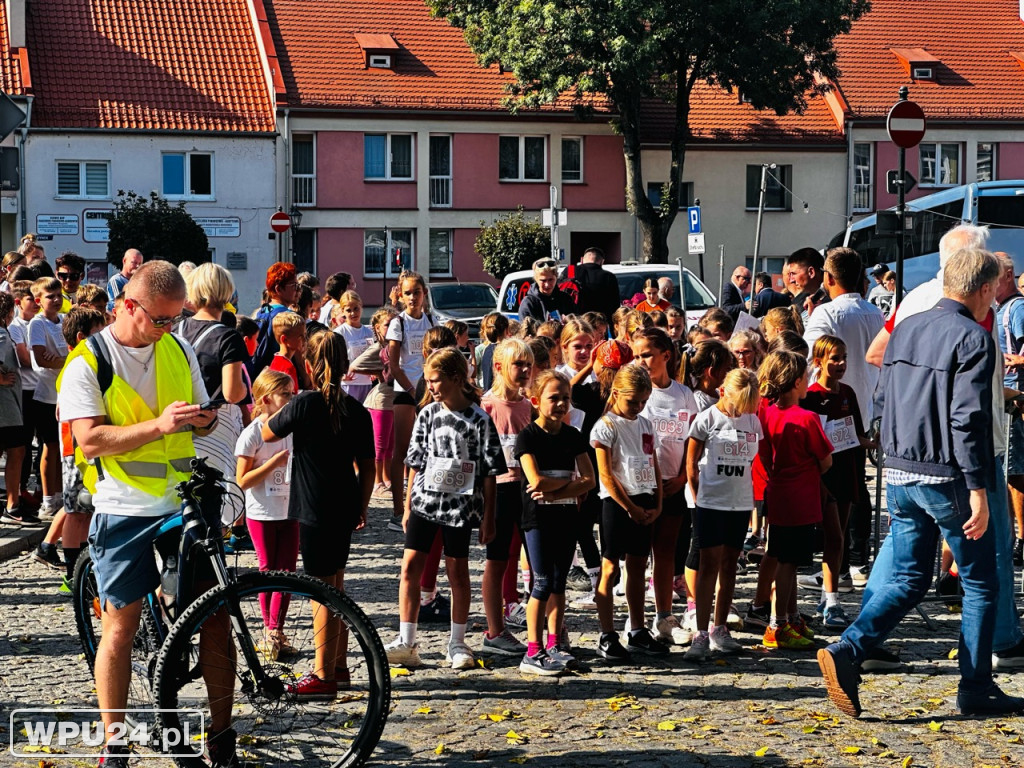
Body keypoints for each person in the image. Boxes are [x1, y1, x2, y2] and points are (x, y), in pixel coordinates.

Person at [817, 248, 1024, 718]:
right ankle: (976, 686)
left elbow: (886, 394)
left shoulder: (907, 326)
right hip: (948, 473)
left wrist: (890, 455)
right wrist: (977, 489)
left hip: (902, 469)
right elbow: (967, 418)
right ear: (986, 290)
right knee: (982, 581)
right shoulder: (973, 338)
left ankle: (849, 650)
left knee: (910, 578)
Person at [55, 261, 229, 765]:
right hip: (123, 508)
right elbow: (89, 441)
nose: (168, 329)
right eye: (160, 320)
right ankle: (114, 743)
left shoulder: (176, 347)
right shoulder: (88, 362)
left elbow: (199, 417)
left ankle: (221, 736)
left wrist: (206, 416)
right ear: (127, 306)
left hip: (183, 501)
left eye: (176, 319)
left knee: (215, 617)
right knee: (120, 626)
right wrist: (158, 425)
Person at [261, 332, 373, 699]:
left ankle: (323, 676)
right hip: (343, 503)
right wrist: (362, 504)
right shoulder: (355, 409)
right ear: (345, 366)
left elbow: (267, 431)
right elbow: (368, 466)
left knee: (321, 593)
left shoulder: (305, 403)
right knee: (336, 587)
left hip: (312, 506)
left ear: (308, 364)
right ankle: (338, 667)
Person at [384, 348, 504, 670]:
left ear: (455, 378)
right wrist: (407, 505)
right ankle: (407, 639)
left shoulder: (480, 420)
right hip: (425, 503)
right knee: (410, 567)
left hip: (461, 509)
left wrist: (488, 517)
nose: (431, 386)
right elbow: (415, 462)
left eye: (435, 380)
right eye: (428, 380)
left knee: (457, 572)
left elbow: (491, 472)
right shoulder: (427, 414)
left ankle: (457, 641)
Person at [515, 369, 595, 674]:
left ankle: (554, 644)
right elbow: (533, 480)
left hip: (565, 516)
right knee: (543, 581)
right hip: (537, 519)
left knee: (560, 584)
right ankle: (532, 651)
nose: (561, 404)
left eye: (566, 398)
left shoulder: (573, 435)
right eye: (554, 398)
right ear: (536, 401)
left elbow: (589, 480)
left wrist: (556, 489)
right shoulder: (528, 436)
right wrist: (565, 485)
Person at [591, 364, 669, 660]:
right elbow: (607, 475)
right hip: (617, 503)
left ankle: (637, 630)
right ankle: (607, 634)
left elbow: (653, 462)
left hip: (646, 497)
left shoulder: (645, 423)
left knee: (638, 566)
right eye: (632, 401)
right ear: (616, 394)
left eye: (643, 402)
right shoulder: (606, 426)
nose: (638, 407)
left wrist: (658, 503)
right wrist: (630, 508)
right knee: (610, 568)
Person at [684, 368, 762, 660]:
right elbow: (690, 464)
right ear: (723, 392)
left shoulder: (753, 420)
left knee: (731, 566)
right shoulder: (706, 419)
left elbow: (757, 460)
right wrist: (699, 497)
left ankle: (720, 628)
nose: (741, 409)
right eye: (738, 401)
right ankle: (700, 633)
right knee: (708, 566)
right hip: (710, 504)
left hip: (740, 503)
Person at [757, 350, 832, 650]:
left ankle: (791, 616)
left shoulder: (766, 414)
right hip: (800, 497)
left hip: (777, 493)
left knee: (786, 558)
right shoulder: (806, 418)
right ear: (798, 381)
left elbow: (763, 456)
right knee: (789, 563)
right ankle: (779, 624)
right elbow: (826, 461)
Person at [632, 327, 698, 646]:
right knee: (637, 555)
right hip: (643, 485)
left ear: (666, 356)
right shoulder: (636, 393)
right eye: (637, 355)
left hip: (674, 484)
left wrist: (684, 478)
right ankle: (635, 623)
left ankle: (664, 616)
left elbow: (691, 441)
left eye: (647, 354)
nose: (641, 361)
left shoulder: (684, 394)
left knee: (666, 552)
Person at [800, 335, 871, 629]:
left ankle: (829, 596)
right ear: (818, 362)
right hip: (821, 477)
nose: (841, 364)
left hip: (846, 474)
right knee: (832, 537)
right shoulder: (811, 396)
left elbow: (856, 436)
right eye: (834, 358)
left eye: (843, 357)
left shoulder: (848, 394)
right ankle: (831, 601)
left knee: (839, 536)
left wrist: (876, 443)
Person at [480, 339, 534, 658]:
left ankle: (550, 630)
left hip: (528, 489)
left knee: (537, 559)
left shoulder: (530, 405)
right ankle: (495, 630)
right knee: (496, 560)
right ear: (499, 367)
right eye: (519, 364)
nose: (525, 370)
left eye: (528, 364)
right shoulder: (487, 406)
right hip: (499, 490)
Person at [238, 369, 296, 659]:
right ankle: (270, 630)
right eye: (285, 394)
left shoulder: (294, 428)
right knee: (268, 571)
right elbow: (243, 480)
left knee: (287, 573)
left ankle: (278, 631)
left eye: (293, 393)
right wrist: (272, 463)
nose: (291, 399)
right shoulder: (253, 434)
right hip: (262, 511)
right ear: (266, 399)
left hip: (291, 509)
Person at [177, 264, 249, 483]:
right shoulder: (228, 337)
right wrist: (247, 387)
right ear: (226, 292)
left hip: (177, 419)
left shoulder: (175, 329)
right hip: (214, 423)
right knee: (217, 497)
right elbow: (232, 394)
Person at [386, 271, 436, 531]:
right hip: (406, 391)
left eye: (417, 292)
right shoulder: (399, 323)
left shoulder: (431, 319)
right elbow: (394, 366)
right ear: (401, 295)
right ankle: (396, 510)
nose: (413, 297)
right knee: (402, 451)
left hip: (428, 390)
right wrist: (413, 391)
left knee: (428, 450)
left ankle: (422, 502)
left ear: (424, 294)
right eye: (408, 293)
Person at [28, 277, 69, 518]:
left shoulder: (64, 320)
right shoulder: (37, 324)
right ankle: (47, 498)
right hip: (46, 395)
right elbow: (43, 357)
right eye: (49, 296)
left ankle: (62, 495)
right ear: (38, 301)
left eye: (58, 295)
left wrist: (62, 360)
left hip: (66, 394)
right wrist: (66, 360)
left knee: (65, 449)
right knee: (50, 447)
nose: (55, 300)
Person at [248, 262, 299, 378]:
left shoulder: (261, 311)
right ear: (278, 289)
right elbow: (298, 356)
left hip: (261, 376)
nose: (297, 290)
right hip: (282, 376)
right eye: (294, 286)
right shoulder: (290, 317)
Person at [332, 290, 375, 403]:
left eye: (356, 308)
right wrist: (340, 376)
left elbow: (372, 356)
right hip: (348, 383)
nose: (353, 313)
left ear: (361, 307)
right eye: (348, 310)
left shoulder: (369, 332)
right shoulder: (339, 332)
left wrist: (374, 372)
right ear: (343, 311)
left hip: (366, 382)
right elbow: (334, 358)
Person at [519, 257, 574, 322]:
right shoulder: (529, 303)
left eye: (551, 280)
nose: (547, 284)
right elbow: (526, 330)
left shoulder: (566, 299)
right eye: (543, 280)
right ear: (536, 279)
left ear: (556, 277)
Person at [573, 247, 620, 321]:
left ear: (581, 259)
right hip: (598, 322)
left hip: (574, 321)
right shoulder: (608, 276)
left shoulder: (570, 269)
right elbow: (614, 305)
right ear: (602, 262)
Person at [268, 311, 306, 393]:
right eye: (300, 336)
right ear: (284, 339)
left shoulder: (276, 361)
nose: (304, 340)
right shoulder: (287, 368)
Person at [785, 247, 827, 320]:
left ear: (811, 272)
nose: (791, 280)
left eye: (793, 274)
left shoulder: (833, 300)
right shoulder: (800, 301)